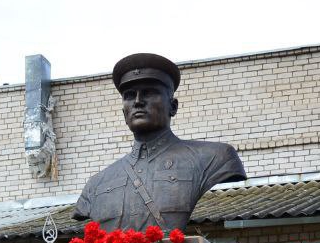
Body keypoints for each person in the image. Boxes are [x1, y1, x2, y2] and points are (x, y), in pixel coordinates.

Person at [73, 53, 245, 233]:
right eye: (130, 95)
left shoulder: (214, 158)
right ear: (124, 113)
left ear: (173, 106)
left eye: (149, 92)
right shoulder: (96, 185)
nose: (138, 101)